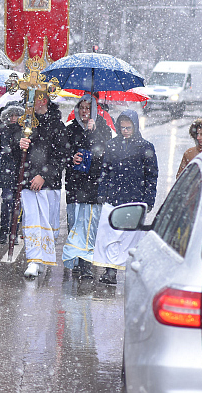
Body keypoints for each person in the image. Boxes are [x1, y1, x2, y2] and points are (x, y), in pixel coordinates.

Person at [94, 110, 158, 285]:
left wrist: (148, 199)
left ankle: (129, 272)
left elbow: (151, 176)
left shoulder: (146, 147)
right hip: (113, 196)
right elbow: (105, 171)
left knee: (130, 237)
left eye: (128, 127)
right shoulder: (112, 145)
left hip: (135, 198)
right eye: (122, 127)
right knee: (110, 234)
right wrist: (102, 193)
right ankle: (110, 270)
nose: (125, 131)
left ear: (135, 126)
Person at [11, 90, 68, 279]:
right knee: (32, 221)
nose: (29, 103)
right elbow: (15, 154)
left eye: (32, 99)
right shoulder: (26, 124)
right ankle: (33, 260)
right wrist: (20, 146)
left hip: (49, 184)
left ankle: (43, 258)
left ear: (42, 100)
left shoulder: (57, 125)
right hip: (28, 181)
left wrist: (43, 175)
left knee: (48, 223)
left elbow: (61, 157)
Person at [62, 94, 112, 278]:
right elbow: (62, 153)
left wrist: (95, 132)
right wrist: (70, 158)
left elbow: (106, 154)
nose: (84, 111)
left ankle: (86, 264)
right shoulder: (70, 129)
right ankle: (75, 259)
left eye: (88, 108)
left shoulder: (104, 129)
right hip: (75, 184)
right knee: (75, 222)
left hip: (93, 185)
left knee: (90, 225)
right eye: (81, 107)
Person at [0, 105, 23, 244]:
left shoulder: (24, 131)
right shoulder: (2, 130)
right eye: (11, 115)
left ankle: (14, 232)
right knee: (7, 202)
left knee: (17, 204)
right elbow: (1, 150)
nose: (13, 118)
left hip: (20, 171)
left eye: (16, 115)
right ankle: (3, 231)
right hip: (7, 171)